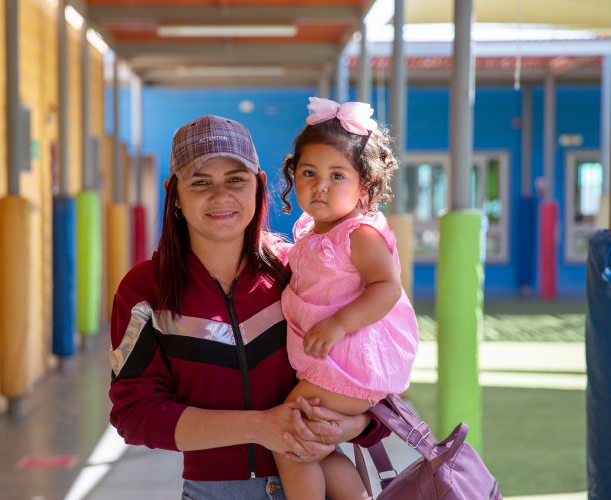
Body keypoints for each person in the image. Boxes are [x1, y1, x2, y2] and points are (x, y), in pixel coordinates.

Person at [108, 114, 388, 499]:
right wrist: (260, 426)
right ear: (174, 194)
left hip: (318, 480)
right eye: (200, 182)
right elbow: (134, 413)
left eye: (236, 180)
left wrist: (354, 427)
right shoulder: (144, 291)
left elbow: (370, 367)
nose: (220, 196)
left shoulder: (301, 271)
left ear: (258, 187)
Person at [274, 97, 420, 500]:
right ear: (293, 175)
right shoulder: (311, 231)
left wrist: (340, 323)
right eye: (309, 172)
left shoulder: (359, 234)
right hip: (332, 366)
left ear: (364, 186)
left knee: (289, 438)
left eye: (337, 175)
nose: (320, 185)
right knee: (316, 450)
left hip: (350, 367)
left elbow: (386, 287)